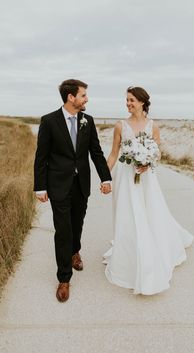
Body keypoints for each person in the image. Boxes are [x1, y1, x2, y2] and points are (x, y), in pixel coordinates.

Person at [103, 86, 194, 295]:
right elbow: (113, 154)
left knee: (149, 212)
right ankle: (129, 254)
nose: (128, 103)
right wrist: (104, 176)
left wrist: (147, 162)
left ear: (142, 102)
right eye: (127, 100)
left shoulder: (153, 126)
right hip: (125, 177)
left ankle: (151, 252)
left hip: (146, 178)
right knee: (127, 215)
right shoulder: (120, 126)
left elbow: (157, 153)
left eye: (132, 100)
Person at [34, 79, 111, 302]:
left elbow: (96, 153)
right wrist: (40, 186)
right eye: (84, 95)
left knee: (77, 223)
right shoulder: (49, 121)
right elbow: (42, 157)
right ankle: (64, 278)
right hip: (58, 185)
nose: (87, 99)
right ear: (71, 97)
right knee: (63, 229)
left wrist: (106, 178)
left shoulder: (88, 120)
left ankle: (75, 250)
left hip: (81, 185)